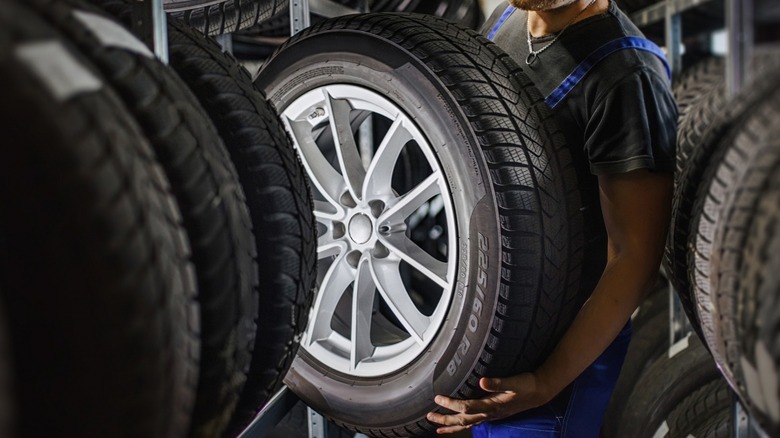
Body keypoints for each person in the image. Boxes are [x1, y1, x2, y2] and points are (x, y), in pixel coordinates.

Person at [426, 0, 678, 436]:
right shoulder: (509, 18)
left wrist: (545, 383)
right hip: (495, 333)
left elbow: (635, 257)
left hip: (558, 361)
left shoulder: (628, 75)